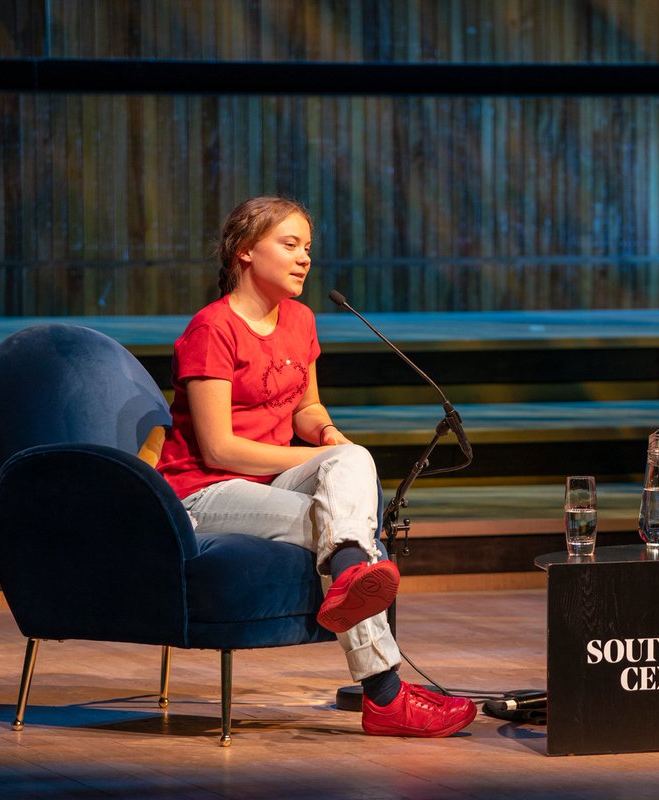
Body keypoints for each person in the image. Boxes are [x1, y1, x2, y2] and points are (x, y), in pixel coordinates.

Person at [154, 196, 476, 738]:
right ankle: (385, 694)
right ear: (244, 252)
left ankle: (352, 577)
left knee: (352, 458)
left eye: (307, 248)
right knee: (341, 524)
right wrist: (319, 459)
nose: (304, 259)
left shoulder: (300, 320)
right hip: (204, 493)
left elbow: (306, 408)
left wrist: (332, 442)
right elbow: (219, 450)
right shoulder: (212, 330)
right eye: (289, 245)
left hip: (271, 481)